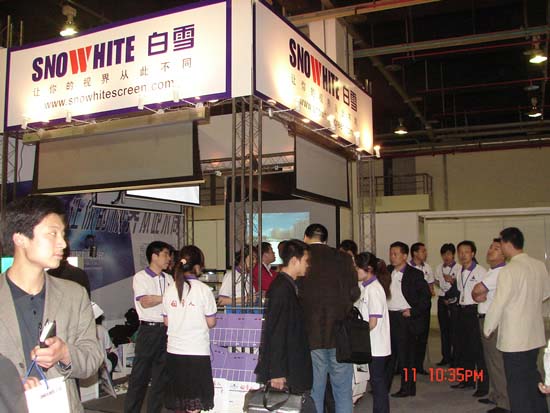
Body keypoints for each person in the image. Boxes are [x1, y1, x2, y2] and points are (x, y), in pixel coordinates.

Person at [0, 195, 103, 412]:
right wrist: (10, 385)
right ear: (20, 238)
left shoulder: (74, 295)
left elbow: (93, 359)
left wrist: (64, 353)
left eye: (63, 235)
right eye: (52, 234)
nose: (63, 244)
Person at [484, 227, 550, 413]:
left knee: (516, 385)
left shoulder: (509, 270)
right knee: (532, 377)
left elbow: (498, 303)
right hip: (535, 335)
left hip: (514, 339)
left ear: (506, 244)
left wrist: (488, 328)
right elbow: (546, 293)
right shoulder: (539, 265)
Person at [300, 224, 359, 413]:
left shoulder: (302, 258)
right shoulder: (343, 258)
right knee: (342, 390)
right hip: (340, 334)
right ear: (326, 239)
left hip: (311, 335)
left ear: (305, 237)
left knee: (314, 391)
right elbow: (354, 293)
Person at [162, 245, 217, 412]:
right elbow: (211, 322)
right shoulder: (204, 290)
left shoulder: (169, 290)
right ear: (198, 267)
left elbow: (166, 322)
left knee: (178, 401)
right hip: (196, 352)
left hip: (174, 352)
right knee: (194, 403)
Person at [255, 239, 312, 393]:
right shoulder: (281, 288)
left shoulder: (290, 285)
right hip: (286, 368)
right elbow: (276, 331)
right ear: (294, 261)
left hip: (292, 362)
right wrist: (277, 372)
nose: (308, 265)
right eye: (305, 261)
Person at [125, 241, 173, 413]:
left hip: (166, 330)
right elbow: (145, 302)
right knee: (140, 377)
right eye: (165, 254)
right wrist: (167, 297)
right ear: (154, 256)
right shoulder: (141, 277)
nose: (169, 258)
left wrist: (161, 298)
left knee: (160, 378)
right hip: (148, 330)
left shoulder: (169, 279)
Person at [385, 241, 431, 398]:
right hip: (389, 317)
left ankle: (408, 387)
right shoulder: (388, 271)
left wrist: (413, 311)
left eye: (396, 254)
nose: (392, 256)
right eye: (391, 253)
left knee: (406, 356)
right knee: (389, 355)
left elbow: (425, 299)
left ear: (405, 256)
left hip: (404, 318)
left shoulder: (415, 274)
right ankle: (384, 386)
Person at [472, 239, 510, 413]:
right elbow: (477, 294)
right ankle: (496, 395)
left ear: (504, 254)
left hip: (492, 321)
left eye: (496, 248)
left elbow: (477, 291)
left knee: (496, 362)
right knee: (490, 360)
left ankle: (504, 403)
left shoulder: (500, 272)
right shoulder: (491, 271)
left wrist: (477, 293)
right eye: (490, 247)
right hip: (485, 319)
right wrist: (477, 294)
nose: (490, 251)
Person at [355, 252, 391, 413]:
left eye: (358, 268)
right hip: (370, 343)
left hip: (376, 344)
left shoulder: (374, 289)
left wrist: (358, 336)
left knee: (378, 382)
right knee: (376, 381)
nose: (356, 271)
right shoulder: (365, 286)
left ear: (368, 269)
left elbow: (373, 322)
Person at [451, 240, 488, 396]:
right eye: (460, 252)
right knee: (463, 347)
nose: (463, 255)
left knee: (477, 350)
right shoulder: (459, 270)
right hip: (462, 311)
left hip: (474, 312)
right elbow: (461, 290)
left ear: (473, 254)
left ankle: (483, 386)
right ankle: (467, 380)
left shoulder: (481, 271)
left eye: (466, 252)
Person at [409, 242, 435, 374]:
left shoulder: (427, 267)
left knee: (423, 336)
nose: (425, 253)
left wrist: (430, 293)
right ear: (415, 253)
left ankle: (419, 365)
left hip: (424, 306)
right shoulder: (407, 268)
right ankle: (408, 365)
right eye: (423, 251)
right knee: (410, 337)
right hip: (411, 306)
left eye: (425, 251)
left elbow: (431, 286)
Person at [434, 243, 460, 366]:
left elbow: (460, 285)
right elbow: (436, 281)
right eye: (444, 254)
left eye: (449, 254)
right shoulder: (439, 267)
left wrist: (452, 281)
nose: (446, 257)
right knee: (444, 330)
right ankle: (446, 356)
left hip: (454, 301)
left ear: (453, 255)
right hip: (442, 300)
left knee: (454, 330)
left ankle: (455, 358)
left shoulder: (459, 268)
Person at [92, 302, 118, 375]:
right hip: (102, 368)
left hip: (87, 368)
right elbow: (108, 349)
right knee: (114, 355)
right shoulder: (102, 329)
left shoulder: (82, 331)